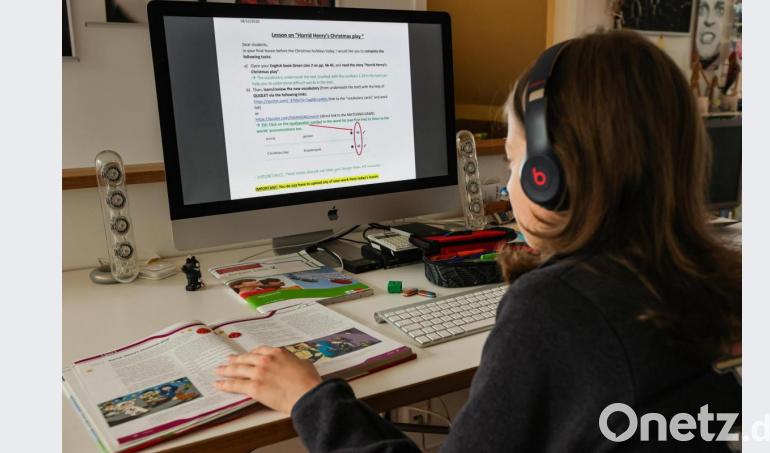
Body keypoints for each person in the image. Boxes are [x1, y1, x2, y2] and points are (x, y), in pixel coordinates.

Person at [213, 30, 741, 451]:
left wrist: (310, 398)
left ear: (548, 176)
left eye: (514, 163)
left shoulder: (557, 307)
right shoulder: (690, 277)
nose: (509, 187)